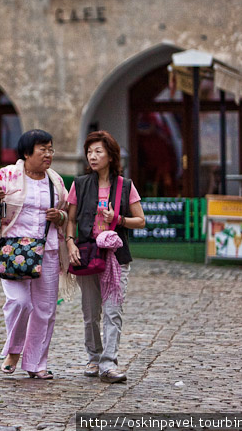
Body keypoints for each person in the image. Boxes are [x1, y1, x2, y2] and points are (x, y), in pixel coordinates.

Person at [0, 129, 70, 379]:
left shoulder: (55, 181)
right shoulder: (6, 175)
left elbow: (65, 213)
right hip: (14, 250)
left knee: (45, 309)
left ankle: (37, 363)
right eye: (43, 149)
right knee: (20, 302)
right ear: (27, 153)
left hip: (47, 249)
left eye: (50, 149)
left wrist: (59, 216)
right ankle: (14, 350)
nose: (48, 154)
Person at [66, 131, 146, 383]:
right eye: (89, 151)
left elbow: (141, 221)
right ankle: (94, 356)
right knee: (91, 312)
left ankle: (109, 364)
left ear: (111, 156)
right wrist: (70, 244)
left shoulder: (126, 186)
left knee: (113, 311)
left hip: (116, 257)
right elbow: (70, 219)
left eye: (98, 151)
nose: (92, 156)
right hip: (87, 253)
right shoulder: (80, 184)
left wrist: (119, 220)